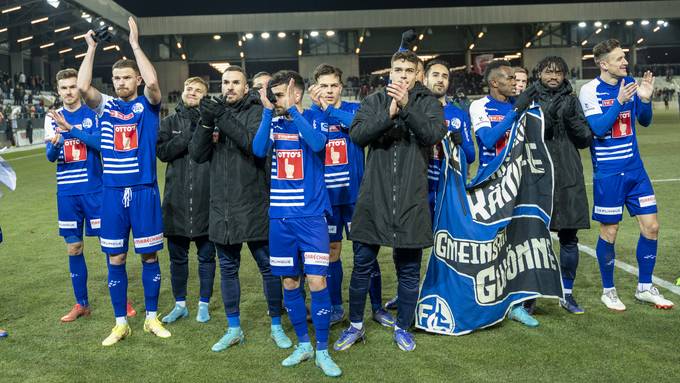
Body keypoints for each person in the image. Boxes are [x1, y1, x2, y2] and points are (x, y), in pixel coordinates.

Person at [334, 50, 445, 353]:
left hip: (411, 199)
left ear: (418, 75)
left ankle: (403, 327)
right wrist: (389, 115)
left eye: (410, 70)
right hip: (374, 198)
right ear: (390, 72)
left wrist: (407, 108)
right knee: (362, 266)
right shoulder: (374, 101)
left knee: (408, 271)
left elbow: (432, 134)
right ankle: (356, 325)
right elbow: (357, 136)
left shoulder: (429, 103)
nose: (404, 75)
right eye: (398, 69)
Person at [77, 17, 171, 346]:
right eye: (116, 78)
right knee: (114, 257)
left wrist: (134, 44)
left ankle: (151, 317)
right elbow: (83, 88)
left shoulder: (148, 105)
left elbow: (155, 82)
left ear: (136, 79)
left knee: (149, 256)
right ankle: (120, 323)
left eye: (126, 77)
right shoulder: (107, 107)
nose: (120, 82)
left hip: (144, 190)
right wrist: (90, 49)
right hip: (113, 193)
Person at [190, 66, 291, 351]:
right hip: (221, 207)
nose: (230, 87)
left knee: (268, 268)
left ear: (246, 88)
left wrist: (220, 117)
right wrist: (207, 123)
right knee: (228, 268)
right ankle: (234, 328)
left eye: (236, 83)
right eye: (225, 82)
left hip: (254, 203)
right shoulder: (214, 112)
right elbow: (198, 155)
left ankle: (276, 326)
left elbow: (251, 145)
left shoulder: (258, 111)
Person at [252, 70, 341, 377]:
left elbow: (317, 145)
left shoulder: (316, 119)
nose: (274, 99)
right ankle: (303, 344)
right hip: (280, 218)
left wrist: (292, 109)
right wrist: (267, 112)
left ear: (296, 93)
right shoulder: (273, 121)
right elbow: (258, 150)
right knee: (290, 282)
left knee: (317, 281)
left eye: (279, 94)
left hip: (312, 217)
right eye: (273, 95)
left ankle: (322, 350)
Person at [579, 39, 673, 310]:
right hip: (609, 172)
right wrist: (619, 102)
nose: (625, 62)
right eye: (619, 58)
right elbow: (597, 127)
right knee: (610, 230)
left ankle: (645, 287)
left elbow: (644, 121)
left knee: (652, 227)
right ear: (603, 64)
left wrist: (644, 99)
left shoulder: (629, 82)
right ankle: (608, 291)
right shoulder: (589, 90)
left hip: (635, 170)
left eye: (624, 57)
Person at [307, 64, 394, 327]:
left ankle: (377, 307)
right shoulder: (309, 115)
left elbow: (358, 126)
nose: (329, 90)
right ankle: (335, 308)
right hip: (327, 200)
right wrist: (318, 112)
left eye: (334, 85)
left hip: (357, 196)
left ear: (341, 87)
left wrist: (329, 111)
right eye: (324, 86)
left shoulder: (354, 110)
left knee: (365, 253)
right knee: (331, 252)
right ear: (315, 87)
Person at [469, 60, 539, 326]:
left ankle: (517, 304)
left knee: (518, 244)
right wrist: (515, 112)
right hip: (492, 185)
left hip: (521, 183)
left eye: (516, 78)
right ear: (494, 82)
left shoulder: (523, 105)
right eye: (509, 78)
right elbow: (487, 140)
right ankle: (487, 300)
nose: (515, 82)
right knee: (490, 246)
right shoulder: (480, 106)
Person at [44, 68, 104, 323]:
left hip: (94, 190)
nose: (69, 92)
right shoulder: (51, 118)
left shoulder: (93, 114)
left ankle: (122, 299)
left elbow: (101, 144)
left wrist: (72, 129)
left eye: (72, 87)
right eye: (64, 88)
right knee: (74, 248)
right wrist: (56, 143)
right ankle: (82, 304)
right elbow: (49, 157)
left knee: (112, 248)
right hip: (67, 193)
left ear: (78, 89)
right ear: (58, 91)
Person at [533, 56, 592, 314]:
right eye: (549, 72)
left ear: (565, 75)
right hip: (537, 174)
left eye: (558, 72)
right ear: (540, 74)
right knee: (533, 238)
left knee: (569, 237)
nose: (553, 76)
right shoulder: (530, 97)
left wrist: (570, 119)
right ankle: (530, 295)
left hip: (568, 174)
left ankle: (567, 292)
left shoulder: (571, 99)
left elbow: (585, 139)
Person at [157, 76, 216, 324]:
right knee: (177, 259)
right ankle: (180, 304)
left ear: (205, 96)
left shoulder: (213, 122)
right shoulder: (169, 122)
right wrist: (189, 133)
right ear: (182, 92)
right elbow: (163, 152)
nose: (192, 92)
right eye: (189, 89)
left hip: (206, 200)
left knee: (206, 258)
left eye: (198, 90)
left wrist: (201, 128)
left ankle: (204, 304)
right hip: (176, 202)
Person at [423, 58, 476, 217]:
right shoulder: (415, 109)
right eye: (436, 75)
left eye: (445, 76)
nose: (440, 79)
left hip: (448, 187)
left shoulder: (458, 115)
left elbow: (471, 156)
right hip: (419, 188)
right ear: (425, 79)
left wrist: (459, 145)